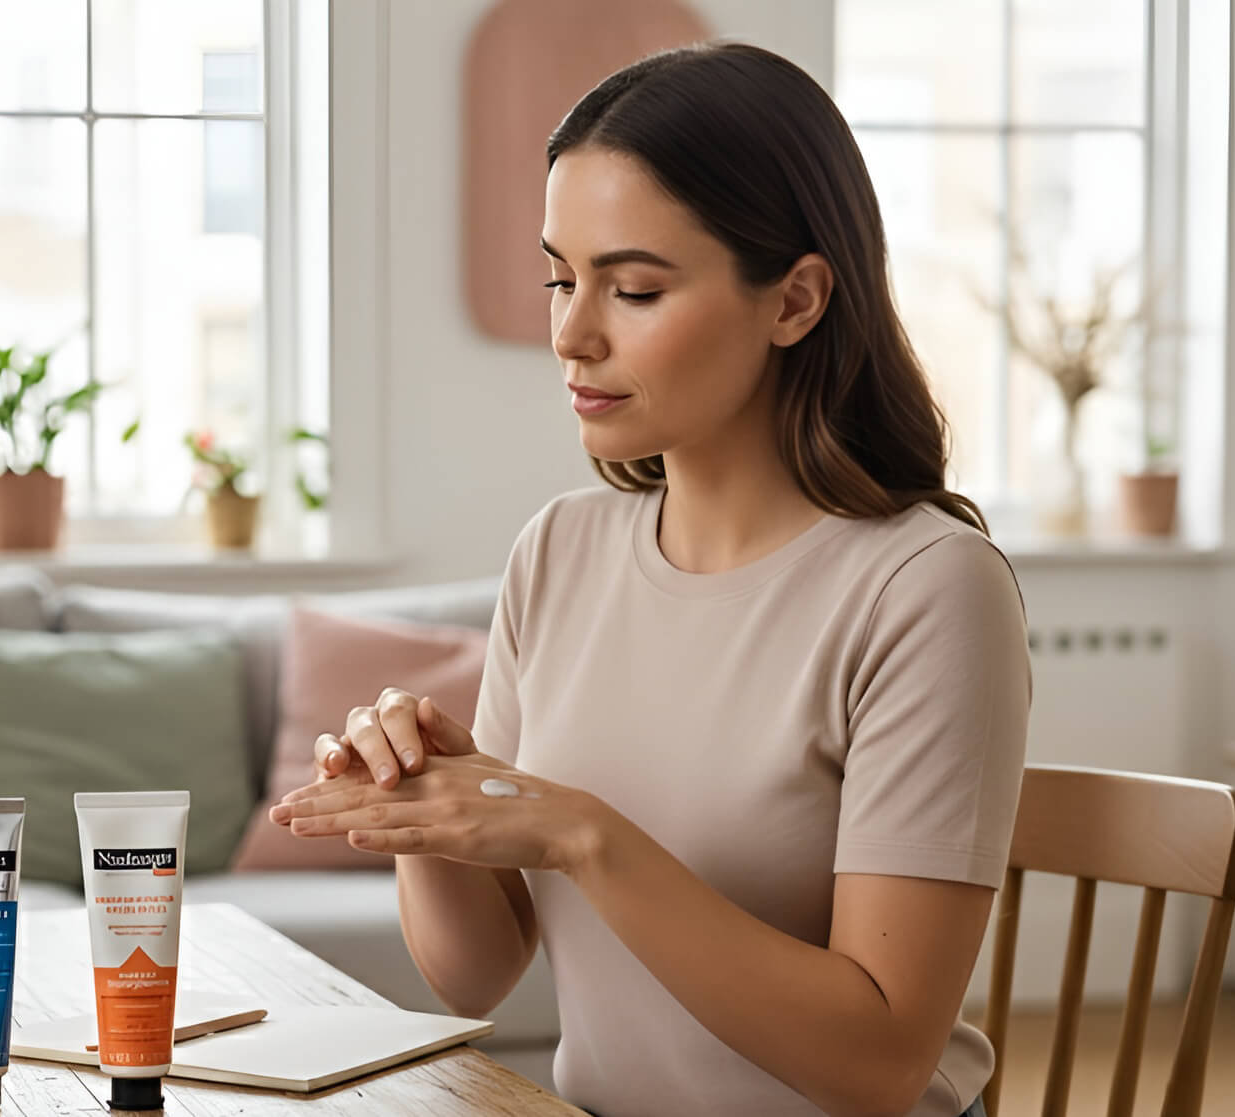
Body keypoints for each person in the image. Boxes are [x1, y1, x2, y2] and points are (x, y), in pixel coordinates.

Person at [266, 43, 1027, 1117]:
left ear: (795, 299)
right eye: (557, 278)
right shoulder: (558, 550)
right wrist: (419, 811)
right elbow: (471, 972)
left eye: (632, 288)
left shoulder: (926, 589)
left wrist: (582, 835)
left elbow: (879, 1065)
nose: (571, 334)